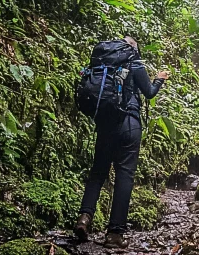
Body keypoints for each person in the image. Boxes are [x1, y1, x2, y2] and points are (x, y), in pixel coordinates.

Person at [74, 36, 169, 248]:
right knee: (124, 176)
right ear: (133, 50)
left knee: (97, 173)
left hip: (105, 126)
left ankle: (84, 218)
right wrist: (160, 78)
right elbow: (150, 93)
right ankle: (114, 234)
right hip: (129, 125)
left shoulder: (102, 64)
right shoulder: (134, 63)